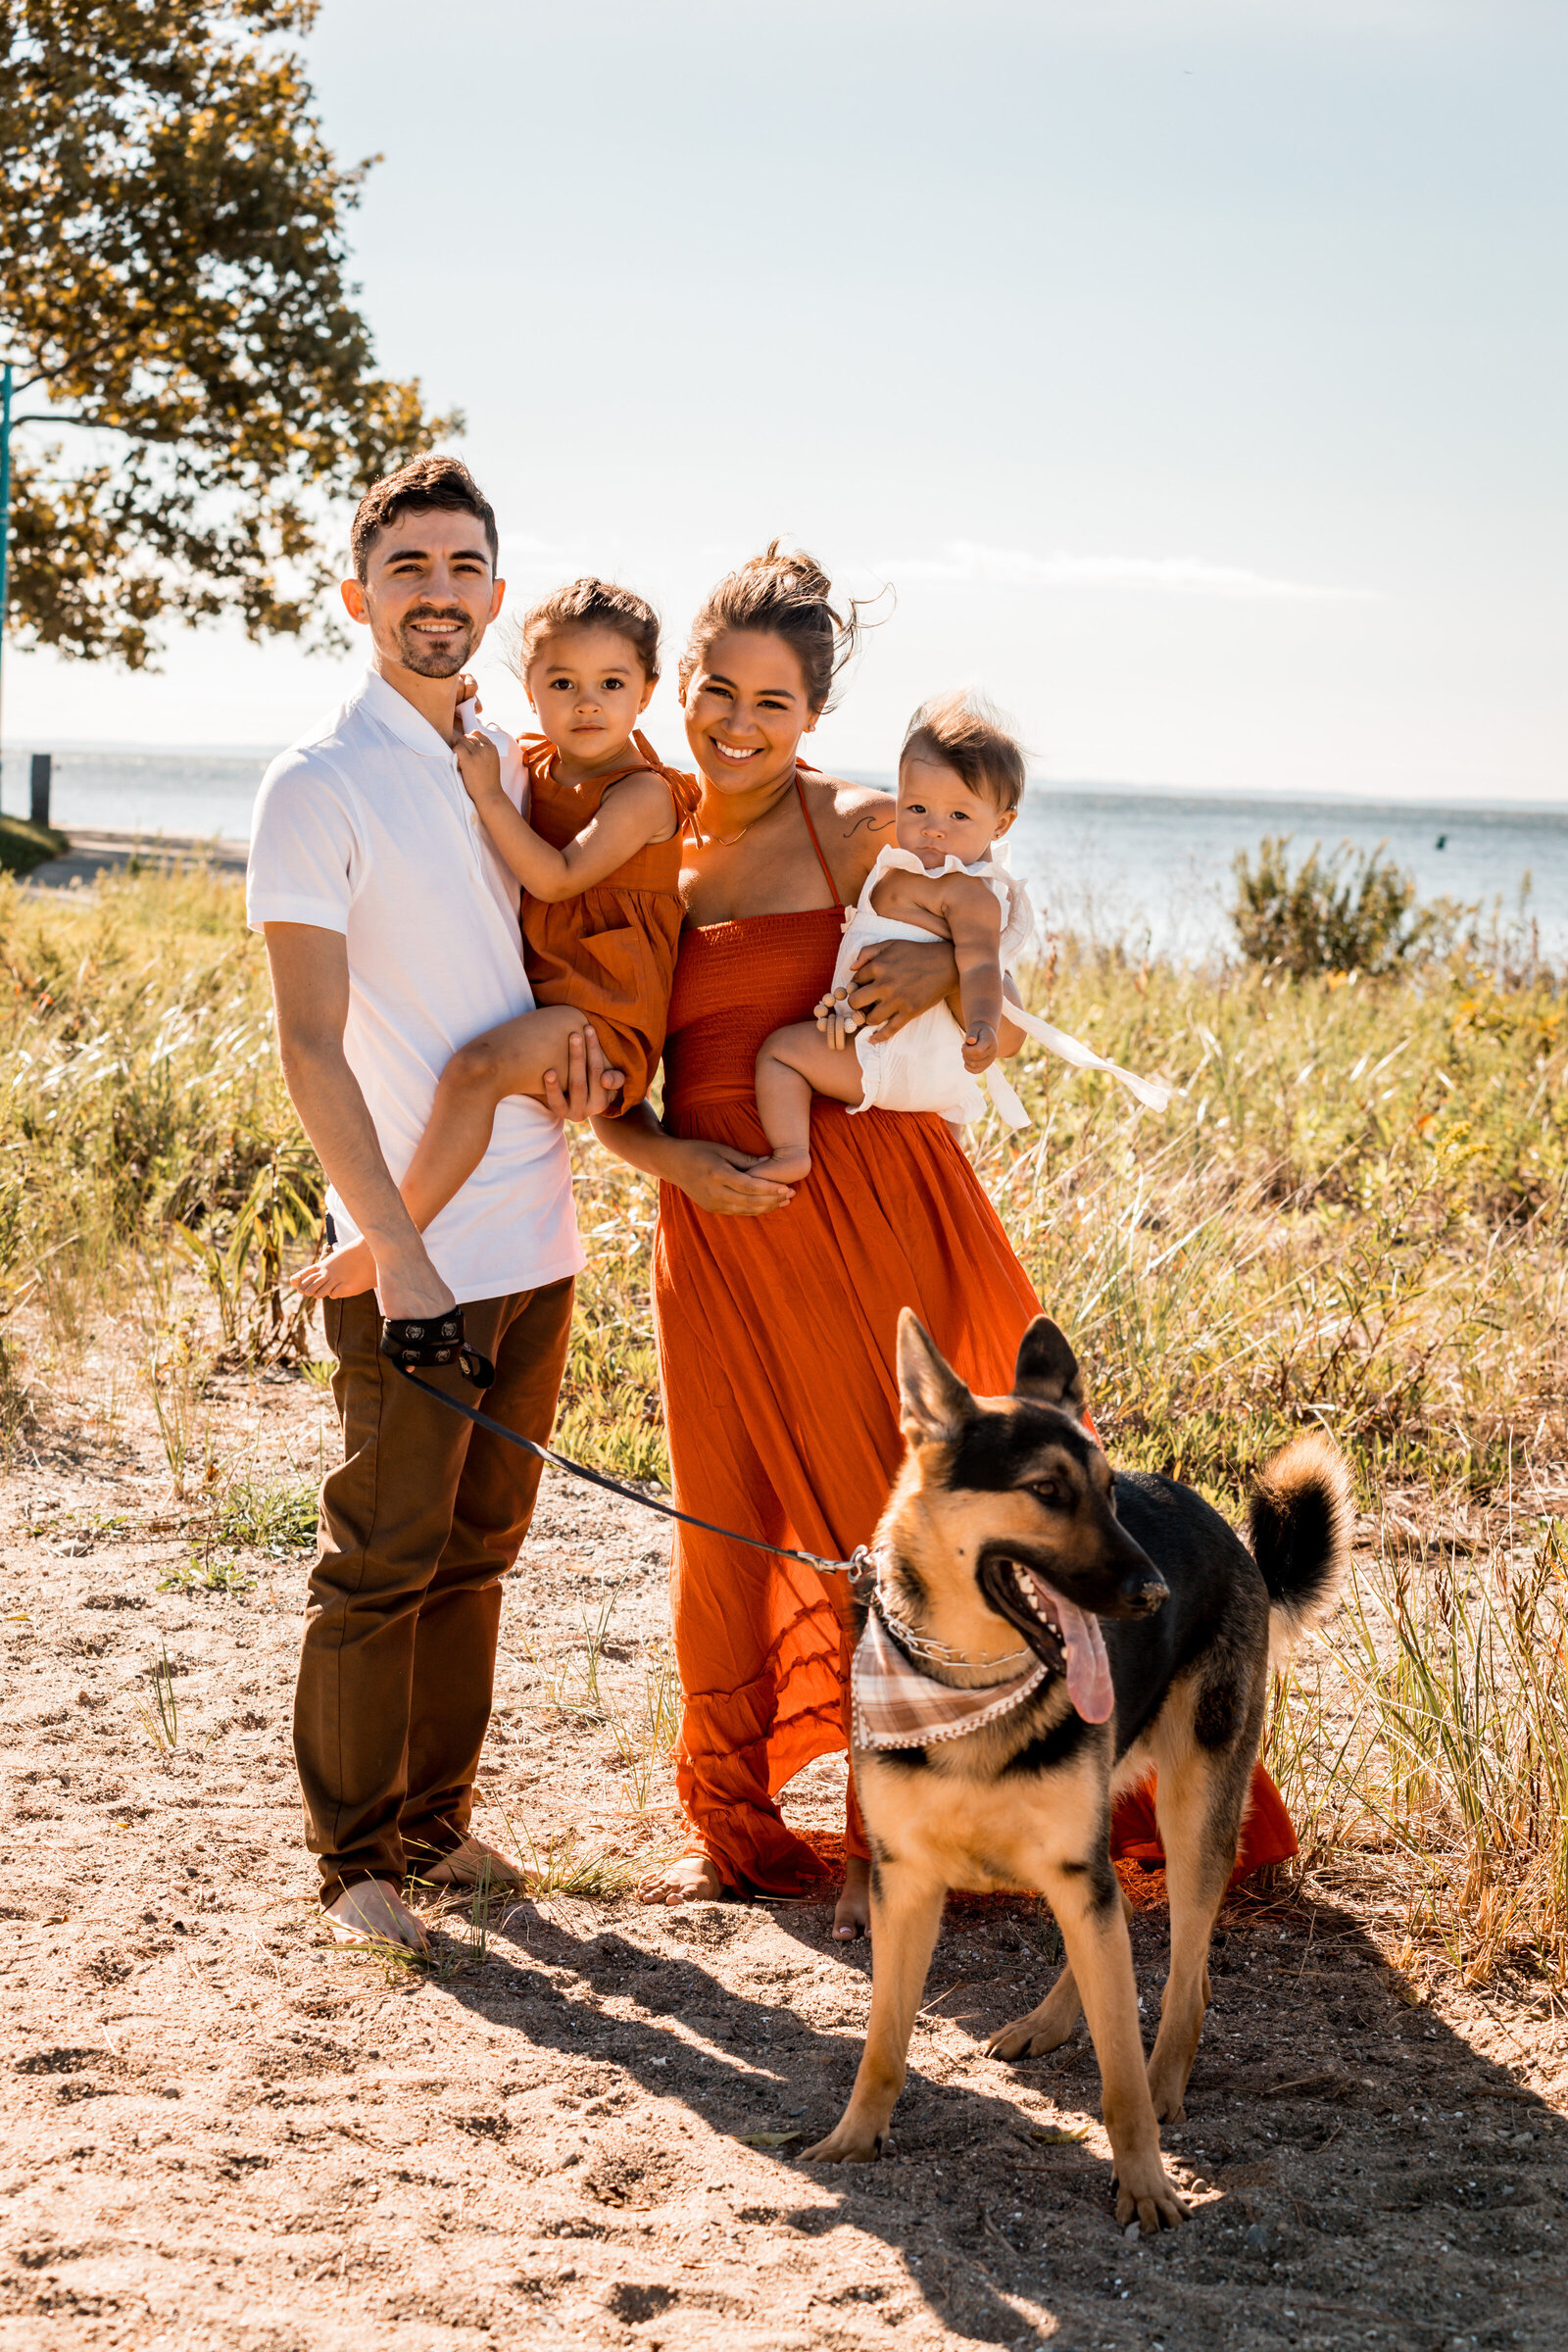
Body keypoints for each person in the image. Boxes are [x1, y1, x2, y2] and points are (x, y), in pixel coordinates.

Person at [593, 542, 1298, 1941]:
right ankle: (730, 1822)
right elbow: (607, 1081)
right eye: (717, 691)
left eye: (773, 704)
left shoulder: (854, 824)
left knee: (895, 1523)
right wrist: (670, 1159)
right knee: (726, 1529)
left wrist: (948, 970)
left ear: (813, 718)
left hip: (875, 1213)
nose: (737, 724)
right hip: (716, 1232)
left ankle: (901, 1841)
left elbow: (988, 936)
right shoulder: (644, 834)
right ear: (682, 684)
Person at [247, 454, 617, 1952]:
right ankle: (355, 1871)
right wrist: (390, 1244)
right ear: (360, 596)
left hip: (539, 1223)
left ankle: (436, 1826)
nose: (440, 594)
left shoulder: (513, 769)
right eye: (410, 569)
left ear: (497, 594)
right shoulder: (316, 782)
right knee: (382, 1558)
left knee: (479, 1554)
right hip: (420, 1250)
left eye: (466, 568)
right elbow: (307, 1039)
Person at [299, 575, 697, 1302]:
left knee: (474, 1071)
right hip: (559, 1005)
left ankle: (386, 1243)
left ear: (646, 693)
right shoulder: (534, 763)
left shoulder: (643, 794)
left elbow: (555, 878)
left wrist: (483, 794)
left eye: (612, 683)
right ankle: (392, 1235)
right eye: (562, 682)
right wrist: (459, 707)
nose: (587, 702)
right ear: (531, 687)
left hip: (606, 1016)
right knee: (474, 1071)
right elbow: (480, 749)